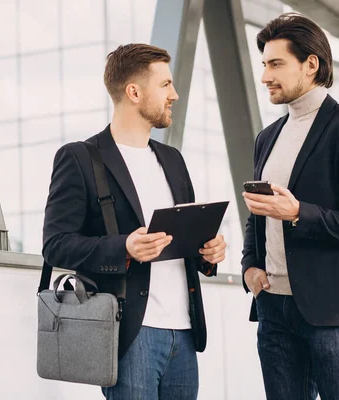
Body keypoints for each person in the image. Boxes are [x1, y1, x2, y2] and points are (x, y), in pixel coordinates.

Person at [42, 43, 227, 399]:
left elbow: (182, 240)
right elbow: (56, 244)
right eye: (165, 85)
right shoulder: (80, 158)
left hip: (185, 333)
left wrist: (208, 251)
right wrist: (123, 247)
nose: (174, 94)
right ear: (134, 92)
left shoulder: (173, 160)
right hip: (130, 333)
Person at [241, 13, 339, 400]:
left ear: (311, 64)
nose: (265, 76)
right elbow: (256, 214)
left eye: (275, 64)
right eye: (264, 65)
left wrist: (299, 213)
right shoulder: (266, 137)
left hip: (334, 315)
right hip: (273, 310)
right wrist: (249, 266)